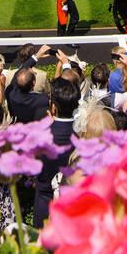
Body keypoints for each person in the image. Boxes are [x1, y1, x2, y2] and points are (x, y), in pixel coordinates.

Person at [33, 77, 81, 226]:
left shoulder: (41, 137)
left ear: (53, 107)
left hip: (44, 204)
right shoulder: (82, 135)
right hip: (72, 207)